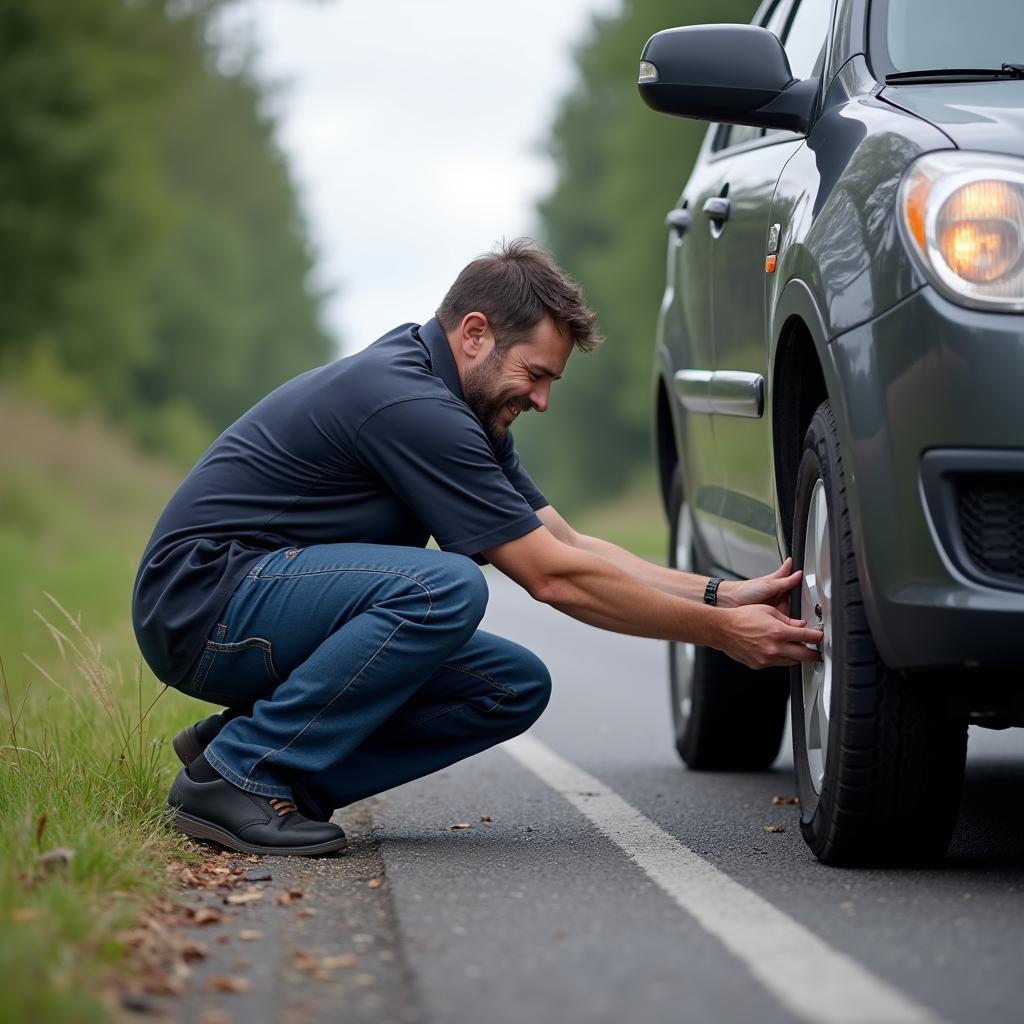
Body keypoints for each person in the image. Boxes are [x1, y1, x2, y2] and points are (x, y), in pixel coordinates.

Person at [133, 239, 822, 857]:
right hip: (203, 605)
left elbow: (568, 543)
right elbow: (553, 580)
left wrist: (719, 592)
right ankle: (244, 772)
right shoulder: (408, 404)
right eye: (537, 373)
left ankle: (251, 761)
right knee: (445, 587)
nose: (543, 399)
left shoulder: (461, 412)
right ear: (474, 334)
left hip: (253, 603)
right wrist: (722, 634)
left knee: (509, 686)